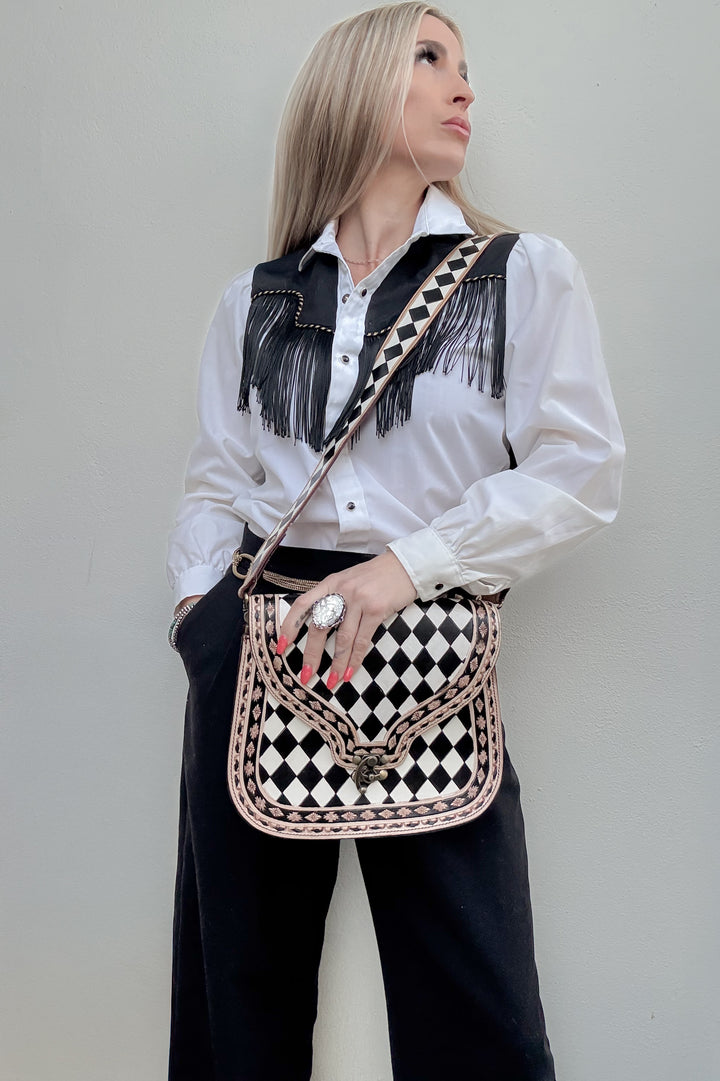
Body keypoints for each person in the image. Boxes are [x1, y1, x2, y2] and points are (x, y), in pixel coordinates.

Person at [165, 3, 625, 1079]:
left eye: (467, 66)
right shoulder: (259, 299)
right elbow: (215, 479)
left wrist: (404, 569)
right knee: (240, 993)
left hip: (428, 633)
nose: (465, 88)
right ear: (360, 85)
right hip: (262, 641)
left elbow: (582, 469)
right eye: (431, 59)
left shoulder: (521, 274)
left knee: (478, 1001)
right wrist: (202, 618)